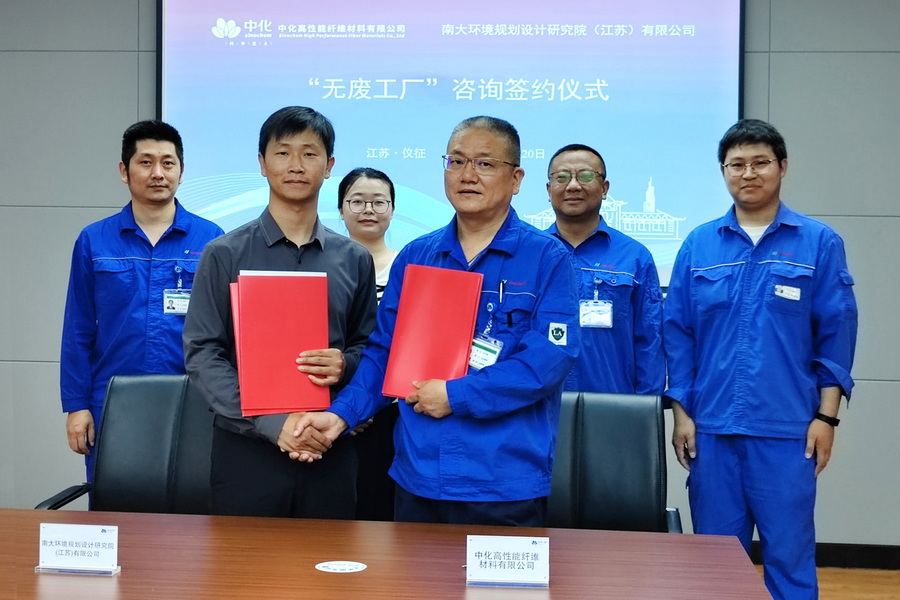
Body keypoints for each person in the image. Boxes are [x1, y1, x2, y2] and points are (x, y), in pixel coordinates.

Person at [292, 116, 580, 527]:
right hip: (419, 474)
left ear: (516, 179)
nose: (467, 175)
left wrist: (456, 395)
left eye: (484, 164)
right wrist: (340, 416)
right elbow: (384, 354)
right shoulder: (417, 257)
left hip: (502, 480)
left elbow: (547, 362)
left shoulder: (548, 259)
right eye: (456, 161)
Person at [663, 119, 858, 599]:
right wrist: (682, 414)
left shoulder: (818, 242)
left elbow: (836, 334)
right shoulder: (699, 244)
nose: (748, 173)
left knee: (790, 559)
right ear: (723, 172)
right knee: (714, 564)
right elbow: (678, 334)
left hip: (788, 430)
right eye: (736, 165)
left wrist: (826, 418)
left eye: (760, 162)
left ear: (782, 167)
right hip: (712, 430)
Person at [183, 106, 377, 519]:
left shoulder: (354, 258)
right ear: (262, 163)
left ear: (329, 166)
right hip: (246, 453)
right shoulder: (224, 254)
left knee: (330, 559)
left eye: (309, 154)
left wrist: (345, 364)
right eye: (283, 152)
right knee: (244, 561)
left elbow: (370, 346)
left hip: (330, 446)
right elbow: (203, 353)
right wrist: (275, 424)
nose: (296, 165)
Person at [60, 120, 223, 483]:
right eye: (145, 162)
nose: (158, 173)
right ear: (125, 171)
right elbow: (78, 328)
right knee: (115, 503)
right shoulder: (94, 240)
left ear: (181, 172)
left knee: (193, 505)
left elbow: (226, 330)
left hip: (194, 400)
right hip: (112, 401)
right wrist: (76, 405)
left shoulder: (212, 239)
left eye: (168, 163)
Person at [545, 144, 664, 394]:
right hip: (539, 408)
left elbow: (650, 342)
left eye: (586, 176)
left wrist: (646, 408)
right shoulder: (531, 253)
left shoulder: (635, 257)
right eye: (562, 177)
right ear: (549, 189)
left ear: (605, 188)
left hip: (613, 406)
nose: (573, 186)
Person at [337, 167, 400, 521]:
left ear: (392, 209)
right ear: (341, 209)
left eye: (379, 202)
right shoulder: (323, 265)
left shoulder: (407, 266)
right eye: (357, 201)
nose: (368, 210)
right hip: (332, 407)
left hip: (391, 411)